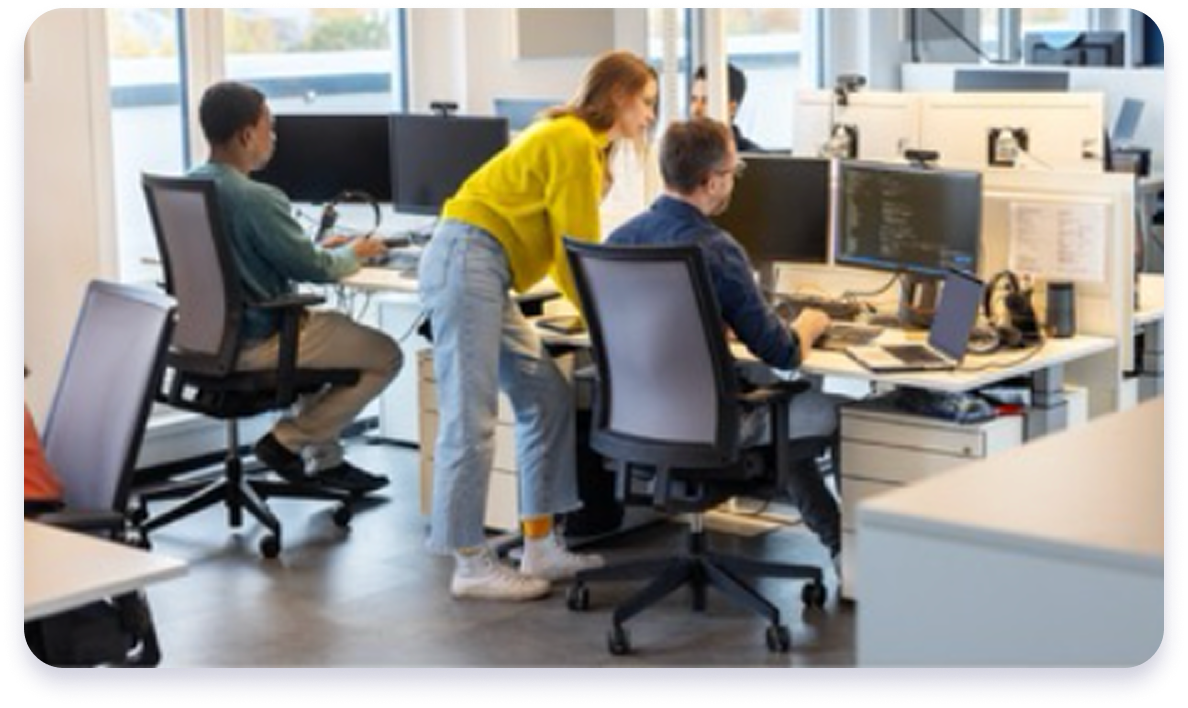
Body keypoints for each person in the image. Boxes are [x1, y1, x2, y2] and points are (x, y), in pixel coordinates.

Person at [417, 50, 658, 601]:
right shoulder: (573, 139)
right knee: (469, 417)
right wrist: (611, 322)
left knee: (546, 393)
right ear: (619, 95)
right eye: (645, 102)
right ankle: (470, 562)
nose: (648, 116)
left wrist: (600, 312)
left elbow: (559, 252)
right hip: (467, 260)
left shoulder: (564, 133)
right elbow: (577, 255)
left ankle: (540, 544)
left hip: (484, 267)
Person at [606, 117, 842, 563]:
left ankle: (840, 545)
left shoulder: (621, 240)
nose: (734, 181)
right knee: (829, 409)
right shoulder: (719, 251)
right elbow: (784, 352)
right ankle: (848, 553)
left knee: (777, 400)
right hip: (716, 427)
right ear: (711, 182)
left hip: (641, 419)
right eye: (734, 173)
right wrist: (812, 320)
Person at [188, 81, 402, 494]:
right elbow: (317, 269)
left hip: (209, 342)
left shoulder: (191, 183)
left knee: (336, 332)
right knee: (385, 355)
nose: (275, 137)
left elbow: (260, 254)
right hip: (260, 340)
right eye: (270, 126)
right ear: (247, 134)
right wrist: (356, 252)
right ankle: (286, 441)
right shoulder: (256, 198)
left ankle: (325, 461)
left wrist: (317, 249)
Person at [689, 63, 761, 153]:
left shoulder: (754, 158)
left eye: (706, 101)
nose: (696, 109)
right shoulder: (683, 154)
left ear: (731, 108)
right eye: (693, 99)